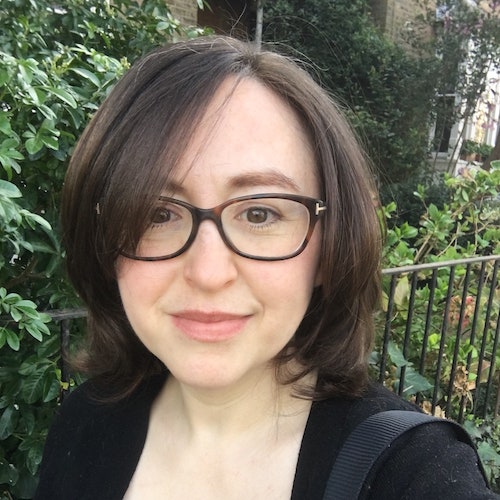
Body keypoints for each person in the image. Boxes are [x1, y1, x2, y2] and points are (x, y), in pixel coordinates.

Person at [35, 36, 497, 500]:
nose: (209, 273)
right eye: (158, 214)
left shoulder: (416, 476)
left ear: (328, 246)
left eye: (260, 213)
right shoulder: (85, 423)